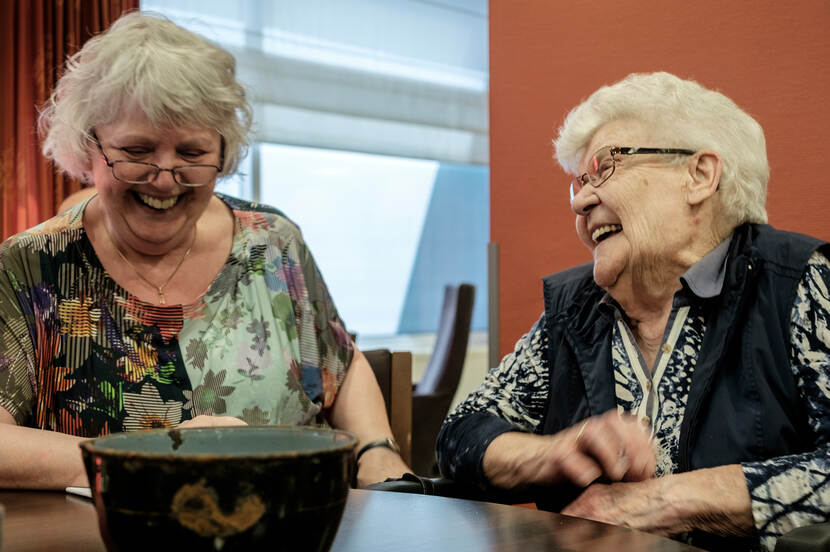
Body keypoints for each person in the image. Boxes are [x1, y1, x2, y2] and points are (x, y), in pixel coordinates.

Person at [0, 12, 409, 491]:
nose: (166, 177)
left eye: (192, 154)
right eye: (137, 150)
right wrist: (153, 458)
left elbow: (340, 362)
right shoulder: (32, 266)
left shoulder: (273, 241)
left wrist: (378, 451)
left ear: (223, 151)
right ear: (88, 147)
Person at [437, 72, 829, 551]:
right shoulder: (575, 309)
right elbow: (460, 435)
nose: (581, 201)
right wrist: (549, 453)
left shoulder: (801, 283)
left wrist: (664, 502)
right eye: (577, 183)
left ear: (699, 175)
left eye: (604, 167)